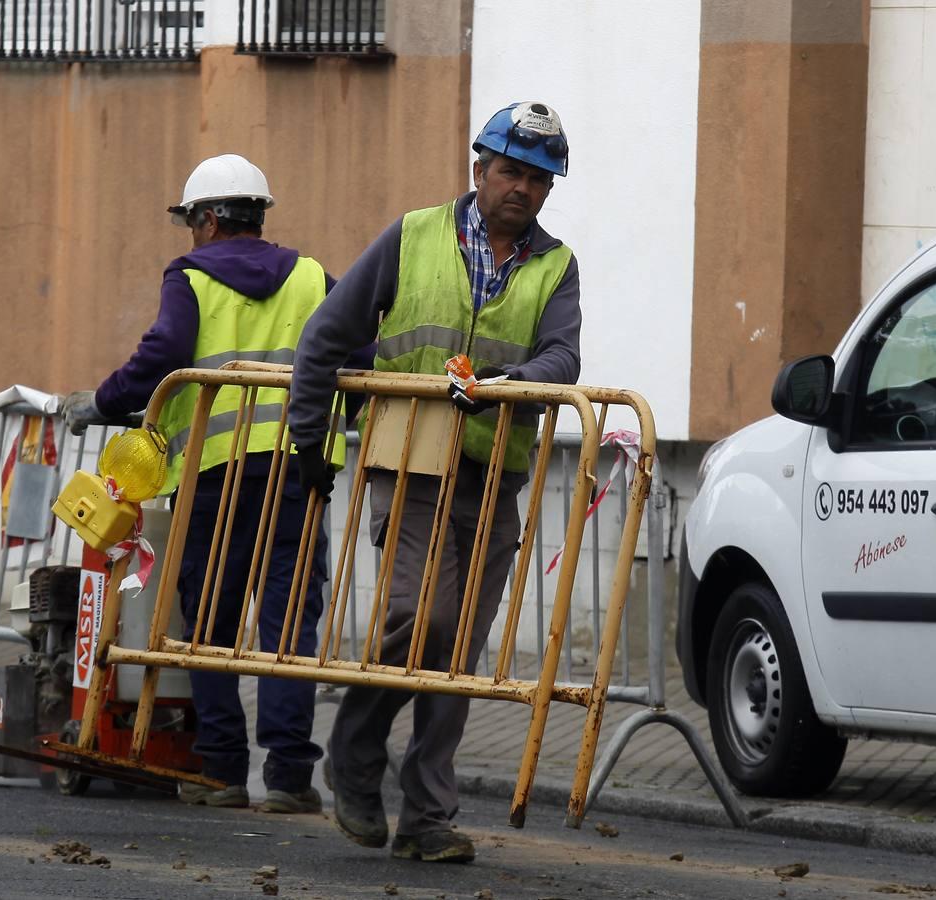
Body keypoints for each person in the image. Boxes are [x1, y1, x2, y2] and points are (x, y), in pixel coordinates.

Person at [287, 100, 580, 863]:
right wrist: (309, 437)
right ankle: (355, 751)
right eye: (511, 170)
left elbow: (562, 358)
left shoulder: (555, 265)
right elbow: (326, 336)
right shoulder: (415, 235)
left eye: (539, 178)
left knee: (456, 655)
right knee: (425, 617)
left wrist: (505, 380)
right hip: (411, 462)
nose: (523, 188)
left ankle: (427, 817)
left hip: (493, 478)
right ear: (479, 169)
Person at [62, 154, 369, 813]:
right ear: (257, 216)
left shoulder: (191, 276)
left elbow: (165, 351)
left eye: (190, 222)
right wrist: (340, 424)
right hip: (296, 471)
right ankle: (289, 778)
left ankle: (222, 772)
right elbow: (362, 356)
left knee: (209, 624)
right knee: (288, 626)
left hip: (215, 473)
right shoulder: (313, 277)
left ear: (205, 220)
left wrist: (106, 400)